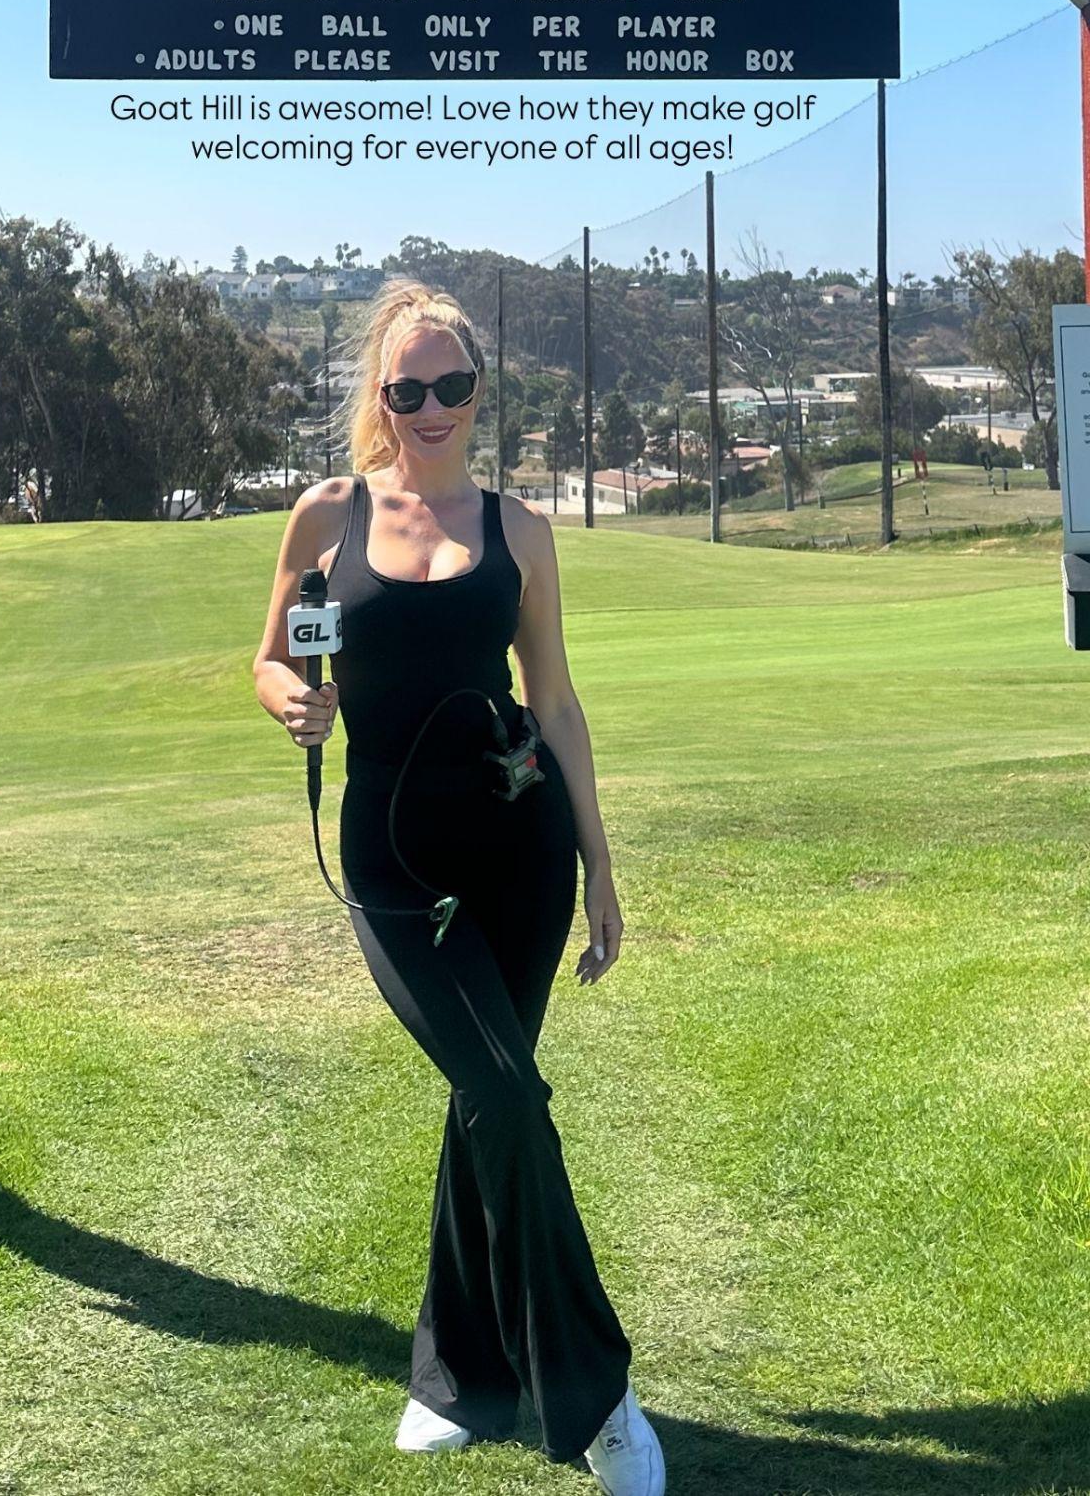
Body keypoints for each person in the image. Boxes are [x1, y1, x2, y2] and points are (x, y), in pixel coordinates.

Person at [253, 277, 665, 1495]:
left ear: (479, 391)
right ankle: (598, 1397)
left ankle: (454, 1377)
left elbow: (556, 701)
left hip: (519, 844)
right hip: (390, 851)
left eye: (452, 385)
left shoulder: (519, 529)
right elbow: (268, 661)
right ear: (379, 397)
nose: (431, 406)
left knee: (489, 1100)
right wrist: (291, 702)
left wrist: (600, 861)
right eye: (408, 388)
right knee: (502, 1087)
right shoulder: (327, 517)